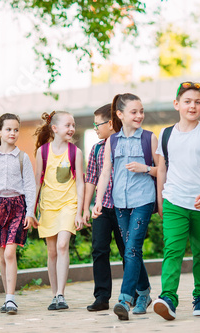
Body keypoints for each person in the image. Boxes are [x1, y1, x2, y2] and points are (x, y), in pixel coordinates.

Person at [152, 82, 200, 321]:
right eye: (187, 101)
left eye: (197, 102)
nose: (193, 106)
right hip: (174, 200)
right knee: (173, 249)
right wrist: (161, 199)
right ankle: (168, 297)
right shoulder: (166, 133)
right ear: (177, 105)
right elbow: (161, 169)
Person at [92, 93, 158, 321]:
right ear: (120, 115)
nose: (139, 115)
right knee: (132, 250)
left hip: (143, 200)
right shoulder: (112, 141)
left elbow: (163, 170)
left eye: (141, 111)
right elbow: (105, 172)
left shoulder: (150, 138)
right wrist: (98, 201)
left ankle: (125, 299)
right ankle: (145, 294)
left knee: (131, 249)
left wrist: (146, 168)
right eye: (134, 112)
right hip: (120, 203)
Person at [0, 113, 37, 315]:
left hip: (17, 207)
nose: (13, 133)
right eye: (9, 129)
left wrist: (30, 212)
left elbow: (30, 186)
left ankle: (11, 299)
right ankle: (7, 298)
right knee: (2, 255)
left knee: (10, 252)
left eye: (16, 129)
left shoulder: (23, 157)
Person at [34, 111, 86, 311]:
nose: (72, 129)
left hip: (68, 206)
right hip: (48, 207)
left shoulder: (76, 152)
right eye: (68, 125)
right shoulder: (43, 152)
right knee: (52, 251)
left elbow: (80, 183)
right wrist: (32, 209)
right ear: (54, 128)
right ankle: (54, 294)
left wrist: (79, 212)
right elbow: (38, 181)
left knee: (63, 245)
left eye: (73, 125)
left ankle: (61, 295)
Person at [83, 104, 126, 312]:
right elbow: (90, 179)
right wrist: (85, 208)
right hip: (102, 208)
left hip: (124, 208)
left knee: (128, 250)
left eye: (97, 124)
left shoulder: (126, 144)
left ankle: (133, 293)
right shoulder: (97, 148)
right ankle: (101, 297)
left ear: (110, 123)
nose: (94, 128)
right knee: (99, 250)